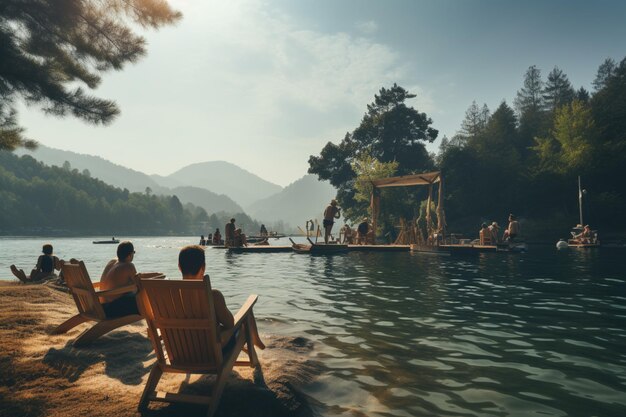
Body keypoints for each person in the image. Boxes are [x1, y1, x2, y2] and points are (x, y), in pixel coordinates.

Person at [178, 245, 264, 350]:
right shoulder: (213, 296)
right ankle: (256, 341)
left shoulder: (169, 297)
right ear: (203, 268)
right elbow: (229, 323)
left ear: (179, 266)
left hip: (182, 350)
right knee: (246, 316)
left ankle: (256, 341)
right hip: (210, 352)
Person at [99, 241, 160, 318]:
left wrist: (157, 274)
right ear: (129, 255)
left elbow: (137, 277)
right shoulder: (128, 265)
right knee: (143, 295)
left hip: (102, 306)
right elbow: (139, 283)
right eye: (133, 253)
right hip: (112, 309)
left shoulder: (112, 262)